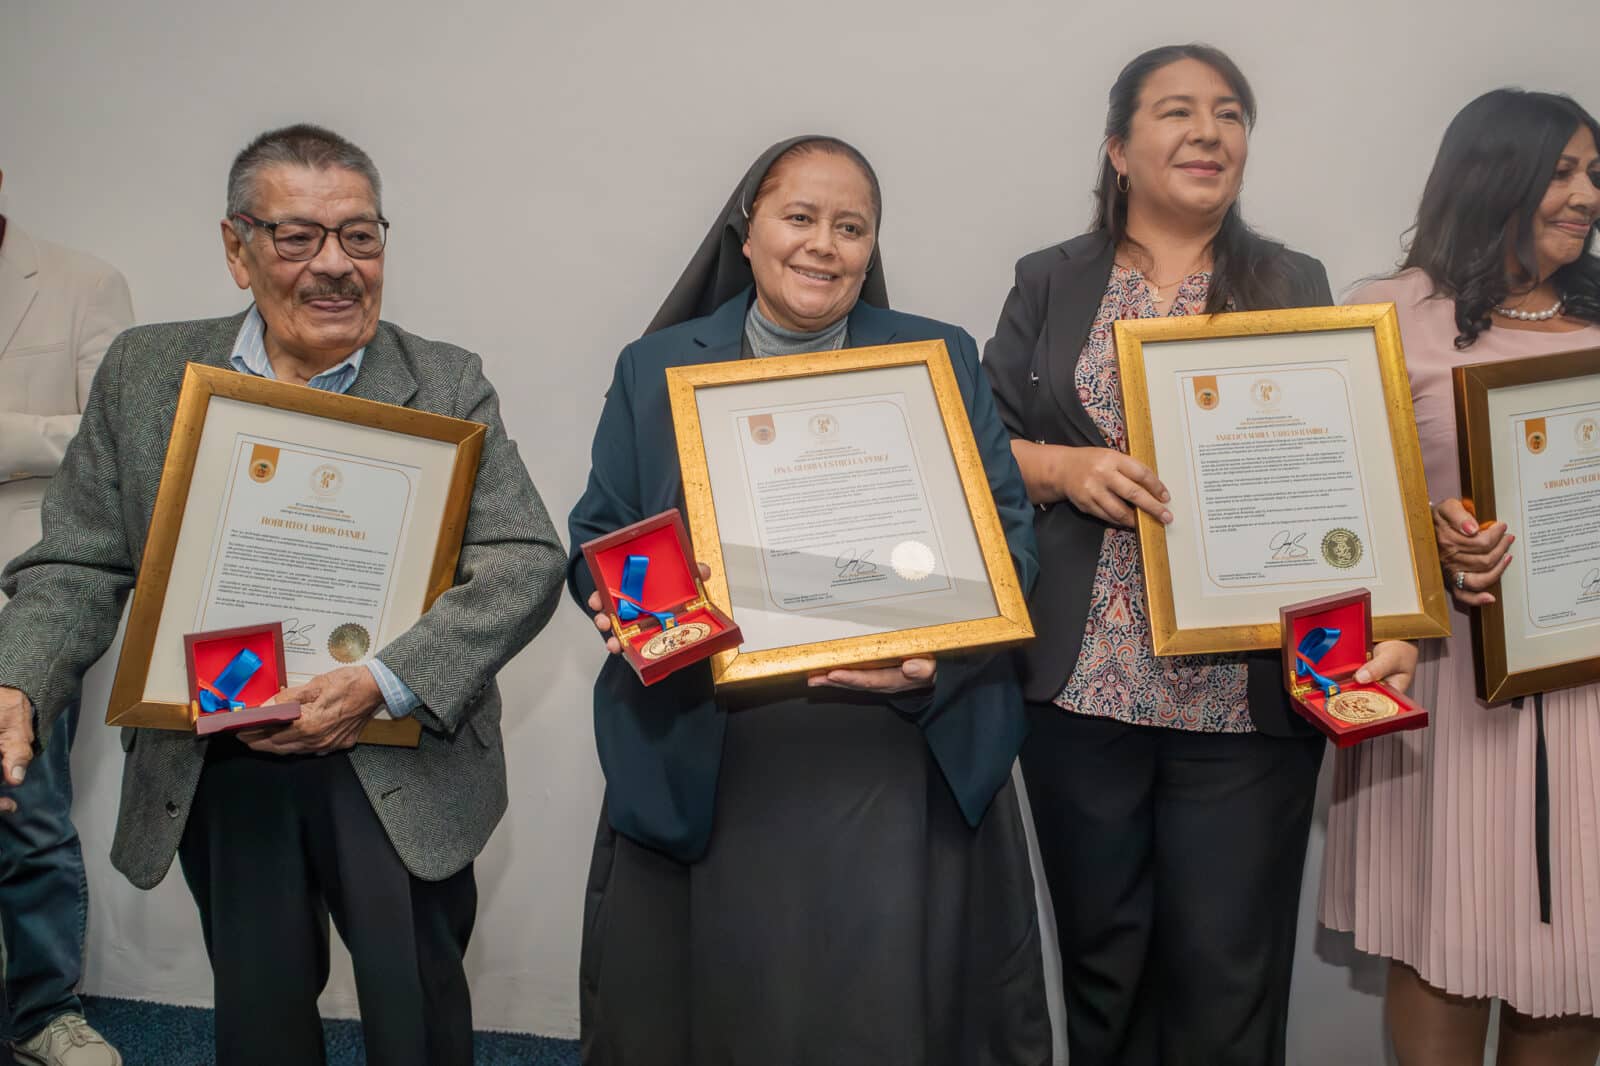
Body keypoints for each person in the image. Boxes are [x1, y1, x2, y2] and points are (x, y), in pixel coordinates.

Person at [0, 124, 566, 1066]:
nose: (335, 265)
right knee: (259, 1017)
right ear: (237, 249)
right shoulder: (145, 373)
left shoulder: (445, 380)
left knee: (416, 1017)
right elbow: (78, 562)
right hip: (222, 749)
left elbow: (524, 557)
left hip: (396, 750)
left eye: (359, 236)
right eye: (297, 237)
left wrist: (382, 680)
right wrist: (17, 681)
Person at [568, 135, 1050, 1066]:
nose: (824, 245)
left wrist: (928, 654)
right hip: (714, 737)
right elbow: (604, 530)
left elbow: (1008, 538)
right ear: (747, 232)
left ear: (871, 248)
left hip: (898, 735)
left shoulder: (936, 357)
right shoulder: (652, 365)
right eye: (800, 217)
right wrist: (627, 601)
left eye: (850, 227)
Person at [982, 43, 1417, 1065]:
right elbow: (980, 445)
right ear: (1117, 148)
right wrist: (1063, 468)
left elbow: (1338, 468)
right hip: (1081, 688)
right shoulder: (1050, 279)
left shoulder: (1293, 280)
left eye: (1229, 112)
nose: (1208, 132)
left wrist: (1387, 616)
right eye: (1177, 111)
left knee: (1228, 968)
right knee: (1104, 964)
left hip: (1244, 689)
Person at [1321, 89, 1600, 1065]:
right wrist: (1425, 545)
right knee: (1443, 936)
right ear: (1491, 175)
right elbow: (1331, 511)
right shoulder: (1386, 312)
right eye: (1560, 172)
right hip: (1444, 688)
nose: (1586, 195)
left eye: (1593, 174)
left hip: (1589, 695)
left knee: (1576, 955)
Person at [0, 167, 131, 1066]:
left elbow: (109, 438)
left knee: (29, 814)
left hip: (30, 591)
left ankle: (43, 1013)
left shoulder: (85, 282)